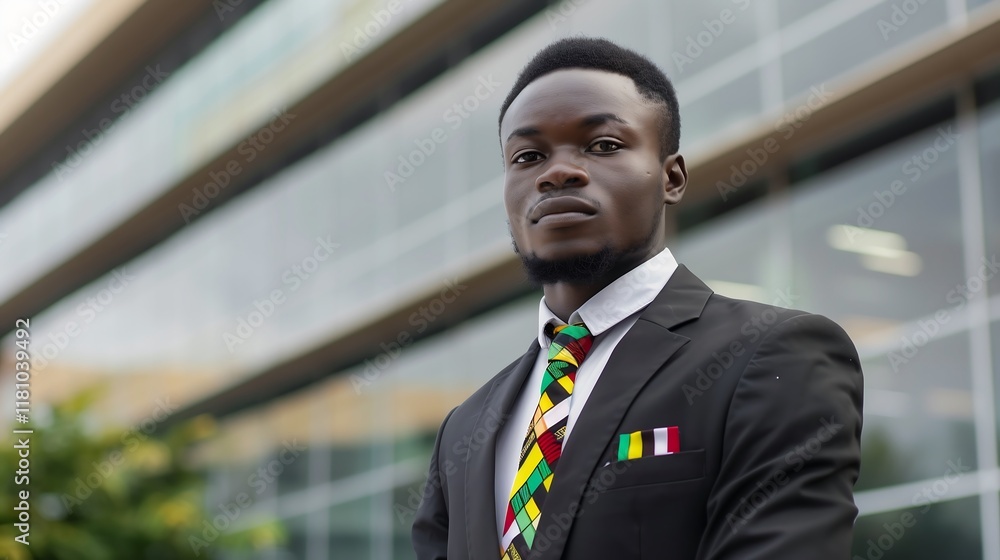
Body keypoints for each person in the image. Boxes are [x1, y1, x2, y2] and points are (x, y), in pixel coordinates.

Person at [411, 37, 863, 560]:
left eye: (603, 145)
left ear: (671, 177)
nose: (557, 172)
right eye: (528, 156)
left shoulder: (773, 355)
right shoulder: (463, 428)